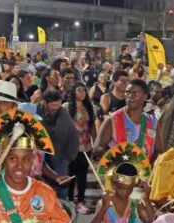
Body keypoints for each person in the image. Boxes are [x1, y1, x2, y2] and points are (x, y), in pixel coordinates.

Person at [94, 79, 158, 160]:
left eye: (136, 93)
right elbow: (97, 150)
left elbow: (159, 150)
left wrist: (150, 165)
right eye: (128, 92)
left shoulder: (153, 121)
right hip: (119, 167)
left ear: (145, 97)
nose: (130, 95)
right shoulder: (112, 120)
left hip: (146, 168)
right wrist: (117, 159)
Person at [38, 89, 79, 198]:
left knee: (61, 182)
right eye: (53, 106)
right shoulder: (37, 109)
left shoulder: (63, 113)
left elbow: (68, 136)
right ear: (44, 103)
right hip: (40, 151)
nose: (56, 109)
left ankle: (62, 203)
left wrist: (68, 158)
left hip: (60, 153)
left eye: (58, 105)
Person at [63, 82, 96, 215]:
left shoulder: (89, 107)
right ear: (73, 92)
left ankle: (81, 201)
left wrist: (95, 143)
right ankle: (70, 200)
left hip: (86, 146)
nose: (82, 93)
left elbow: (92, 126)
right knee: (71, 173)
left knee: (82, 175)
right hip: (72, 147)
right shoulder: (66, 107)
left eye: (83, 90)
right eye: (79, 90)